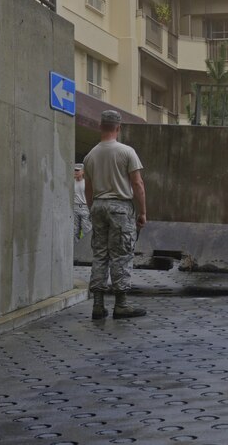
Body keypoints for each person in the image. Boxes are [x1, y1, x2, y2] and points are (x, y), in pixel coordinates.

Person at [83, 110, 148, 320]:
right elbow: (137, 184)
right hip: (120, 207)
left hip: (99, 206)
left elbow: (89, 189)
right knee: (121, 254)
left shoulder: (90, 155)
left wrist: (93, 208)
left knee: (100, 254)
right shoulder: (127, 152)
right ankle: (121, 304)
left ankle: (98, 305)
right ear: (118, 128)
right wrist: (142, 211)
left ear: (100, 126)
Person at [72, 163, 92, 239]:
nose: (75, 172)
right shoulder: (71, 182)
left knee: (86, 230)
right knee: (74, 231)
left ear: (83, 172)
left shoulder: (86, 183)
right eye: (74, 170)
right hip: (75, 208)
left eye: (77, 170)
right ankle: (76, 249)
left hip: (85, 208)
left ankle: (85, 250)